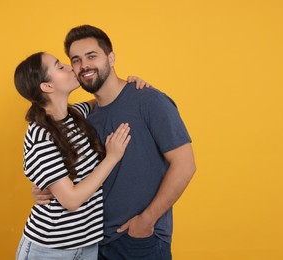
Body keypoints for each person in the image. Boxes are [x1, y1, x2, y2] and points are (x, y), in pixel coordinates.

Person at [34, 24, 196, 259]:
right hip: (93, 242)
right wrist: (45, 186)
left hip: (139, 239)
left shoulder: (149, 100)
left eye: (92, 56)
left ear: (111, 58)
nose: (84, 65)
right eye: (76, 60)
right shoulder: (84, 117)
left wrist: (146, 221)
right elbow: (68, 170)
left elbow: (185, 165)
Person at [14, 52, 149, 259]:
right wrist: (111, 158)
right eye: (59, 67)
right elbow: (72, 200)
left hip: (87, 244)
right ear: (47, 86)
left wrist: (128, 85)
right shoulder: (41, 136)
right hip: (51, 250)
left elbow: (105, 100)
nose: (71, 67)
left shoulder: (76, 114)